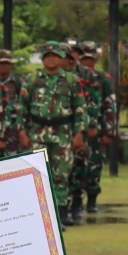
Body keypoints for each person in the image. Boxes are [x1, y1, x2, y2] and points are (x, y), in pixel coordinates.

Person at [19, 43, 87, 227]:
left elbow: (80, 108)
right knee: (37, 173)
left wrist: (79, 133)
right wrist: (21, 131)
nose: (51, 59)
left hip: (63, 133)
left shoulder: (71, 80)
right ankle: (37, 214)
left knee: (61, 173)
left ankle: (61, 213)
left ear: (62, 58)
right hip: (38, 133)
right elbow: (21, 107)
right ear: (42, 58)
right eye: (47, 55)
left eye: (55, 55)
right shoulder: (32, 79)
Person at [72, 41, 117, 220]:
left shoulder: (102, 78)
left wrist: (109, 131)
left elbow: (110, 105)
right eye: (84, 58)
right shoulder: (74, 77)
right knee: (77, 166)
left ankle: (92, 199)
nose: (87, 62)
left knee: (95, 165)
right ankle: (75, 201)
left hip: (96, 130)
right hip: (78, 129)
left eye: (91, 59)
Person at [0, 49, 23, 160]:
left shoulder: (18, 82)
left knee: (13, 163)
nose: (3, 66)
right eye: (0, 63)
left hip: (13, 130)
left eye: (6, 63)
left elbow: (23, 107)